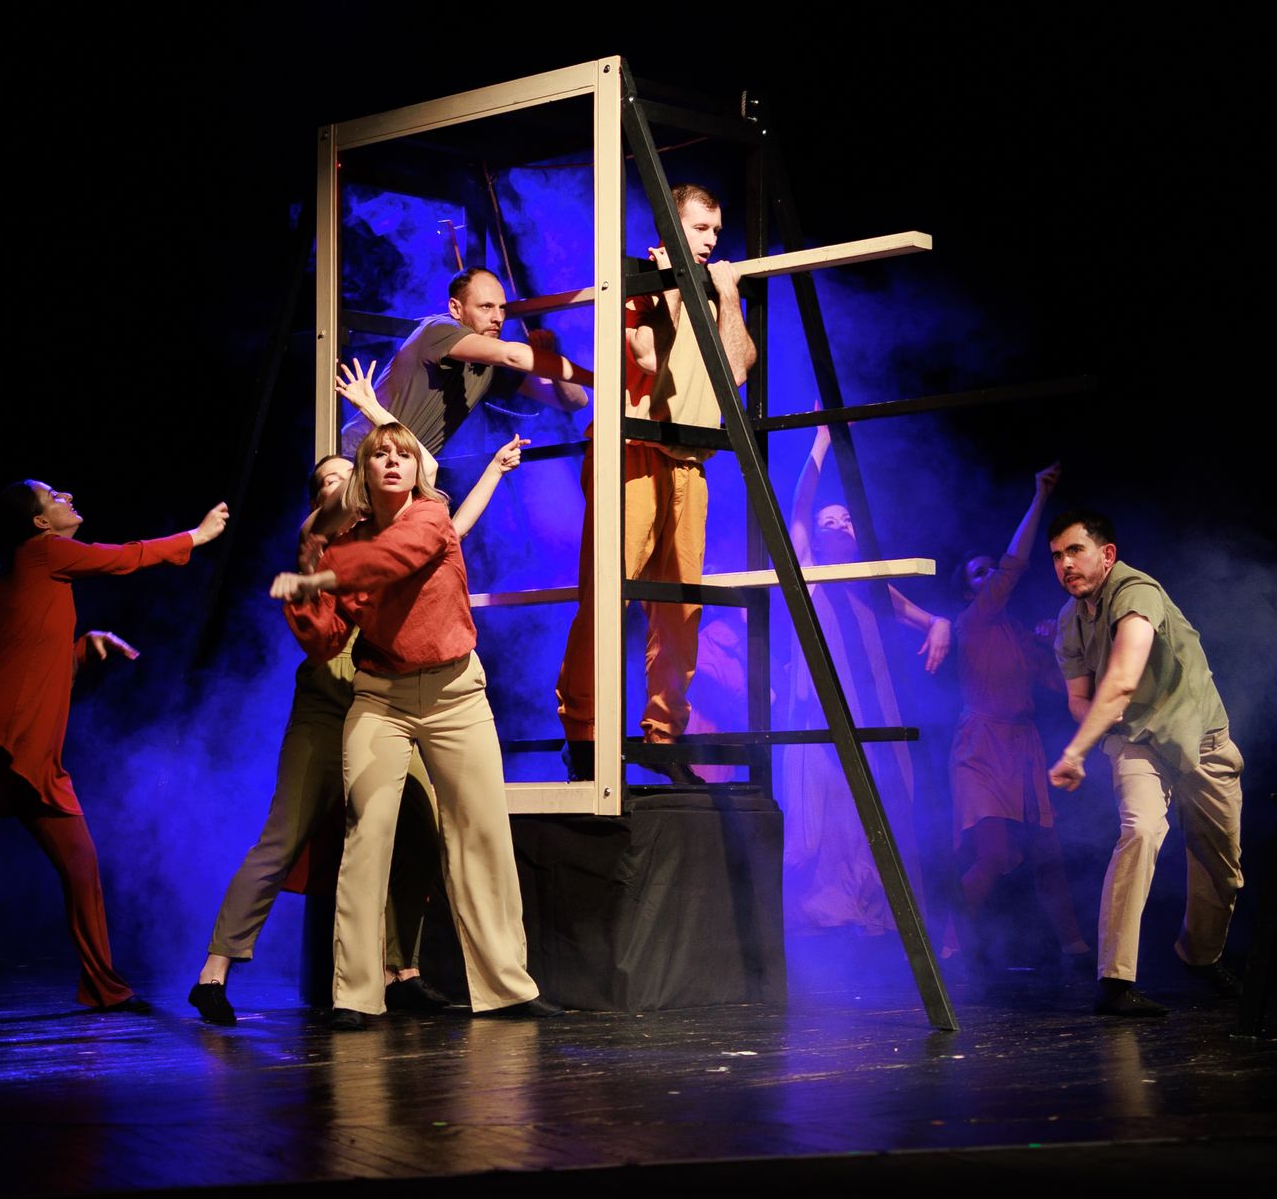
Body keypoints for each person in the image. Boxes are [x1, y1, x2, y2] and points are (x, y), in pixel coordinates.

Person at [189, 370, 527, 1027]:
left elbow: (432, 509)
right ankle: (221, 966)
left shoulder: (399, 529)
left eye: (363, 468)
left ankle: (404, 970)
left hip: (417, 694)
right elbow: (324, 637)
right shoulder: (326, 547)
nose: (356, 478)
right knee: (297, 833)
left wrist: (382, 415)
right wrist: (312, 586)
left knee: (427, 833)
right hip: (337, 702)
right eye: (338, 479)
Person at [0, 482, 228, 1016]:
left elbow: (34, 658)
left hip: (36, 756)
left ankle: (103, 986)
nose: (66, 495)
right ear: (39, 523)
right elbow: (122, 558)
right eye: (53, 496)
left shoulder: (42, 574)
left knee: (81, 865)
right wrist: (196, 537)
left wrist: (83, 647)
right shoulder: (40, 554)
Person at [272, 422, 560, 1028]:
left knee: (481, 835)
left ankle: (507, 988)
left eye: (405, 454)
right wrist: (306, 572)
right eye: (381, 456)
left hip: (457, 695)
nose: (396, 463)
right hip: (380, 697)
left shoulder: (430, 516)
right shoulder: (346, 541)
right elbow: (326, 641)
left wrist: (322, 570)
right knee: (366, 837)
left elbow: (389, 560)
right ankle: (355, 995)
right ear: (364, 473)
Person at [556, 183, 757, 783]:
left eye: (716, 232)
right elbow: (646, 356)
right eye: (700, 229)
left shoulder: (710, 289)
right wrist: (671, 286)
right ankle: (586, 735)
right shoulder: (635, 280)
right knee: (608, 595)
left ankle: (666, 737)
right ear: (671, 227)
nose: (711, 241)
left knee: (681, 607)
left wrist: (727, 299)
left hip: (688, 460)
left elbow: (738, 368)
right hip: (631, 450)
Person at [1047, 509, 1243, 1017]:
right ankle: (1116, 982)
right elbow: (1078, 699)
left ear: (1106, 555)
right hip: (1137, 742)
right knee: (1140, 832)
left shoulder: (1137, 593)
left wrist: (1076, 751)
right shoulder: (1069, 622)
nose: (1065, 564)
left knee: (1221, 868)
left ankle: (1199, 956)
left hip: (1202, 743)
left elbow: (1124, 679)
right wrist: (1096, 730)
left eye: (1075, 551)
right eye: (1057, 556)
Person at [773, 421, 950, 933]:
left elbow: (928, 617)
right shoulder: (808, 573)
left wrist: (940, 626)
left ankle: (873, 919)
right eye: (831, 520)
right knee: (815, 824)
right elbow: (799, 509)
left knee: (876, 814)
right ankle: (812, 922)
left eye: (847, 518)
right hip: (819, 715)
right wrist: (822, 441)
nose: (839, 524)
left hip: (874, 714)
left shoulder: (872, 586)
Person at [947, 464, 1089, 967]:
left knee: (1046, 855)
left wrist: (1052, 644)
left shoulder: (1020, 635)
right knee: (996, 853)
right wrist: (1039, 497)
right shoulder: (974, 621)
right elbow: (1014, 565)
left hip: (1022, 747)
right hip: (982, 744)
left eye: (989, 570)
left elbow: (1059, 686)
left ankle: (1075, 947)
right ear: (970, 591)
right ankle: (949, 942)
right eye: (978, 574)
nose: (990, 578)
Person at [363, 266, 591, 458]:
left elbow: (575, 401)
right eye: (486, 307)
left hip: (399, 466)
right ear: (455, 308)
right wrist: (600, 379)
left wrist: (552, 356)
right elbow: (513, 355)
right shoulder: (439, 330)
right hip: (357, 457)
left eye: (502, 308)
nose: (498, 318)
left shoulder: (488, 365)